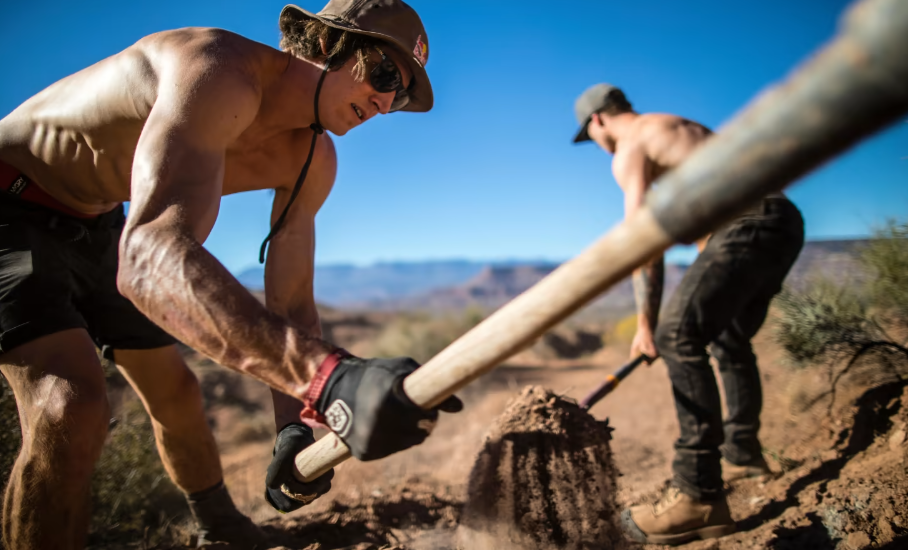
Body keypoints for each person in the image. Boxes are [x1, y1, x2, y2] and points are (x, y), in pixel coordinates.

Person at [0, 1, 461, 548]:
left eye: (401, 94)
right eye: (385, 74)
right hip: (12, 201)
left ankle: (220, 527)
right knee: (71, 406)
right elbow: (148, 256)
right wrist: (330, 379)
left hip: (100, 221)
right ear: (324, 44)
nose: (385, 103)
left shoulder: (312, 160)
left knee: (177, 394)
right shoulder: (217, 69)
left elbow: (290, 305)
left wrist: (294, 425)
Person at [572, 84, 804, 545]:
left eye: (591, 135)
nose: (598, 146)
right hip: (782, 221)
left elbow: (643, 239)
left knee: (678, 335)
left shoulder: (630, 144)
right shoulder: (676, 128)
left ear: (598, 120)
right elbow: (709, 235)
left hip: (749, 222)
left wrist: (646, 327)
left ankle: (697, 493)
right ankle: (743, 454)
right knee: (729, 340)